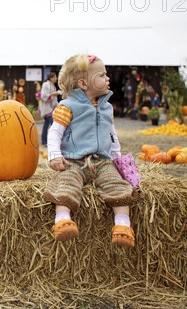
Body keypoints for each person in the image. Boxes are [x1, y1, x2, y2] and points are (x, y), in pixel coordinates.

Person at [43, 54, 135, 247]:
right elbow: (55, 132)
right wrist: (55, 155)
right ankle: (62, 220)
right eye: (101, 75)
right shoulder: (66, 106)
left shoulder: (107, 108)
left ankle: (123, 226)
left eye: (106, 74)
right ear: (84, 83)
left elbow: (112, 136)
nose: (107, 78)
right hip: (73, 160)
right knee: (67, 183)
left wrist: (117, 160)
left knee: (117, 186)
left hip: (101, 161)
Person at [39, 72, 61, 146]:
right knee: (54, 124)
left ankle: (44, 141)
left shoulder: (53, 86)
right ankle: (53, 142)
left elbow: (55, 100)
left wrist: (59, 106)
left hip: (51, 108)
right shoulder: (46, 84)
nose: (56, 79)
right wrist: (53, 94)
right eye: (55, 77)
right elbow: (43, 96)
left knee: (46, 125)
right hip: (46, 108)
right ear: (51, 78)